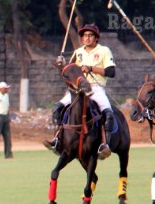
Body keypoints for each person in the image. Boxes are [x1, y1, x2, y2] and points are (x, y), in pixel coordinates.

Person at [45, 22, 118, 159]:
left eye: (91, 35)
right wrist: (60, 64)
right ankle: (57, 140)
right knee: (57, 107)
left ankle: (104, 145)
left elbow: (111, 71)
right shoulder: (78, 52)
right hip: (77, 90)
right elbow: (68, 70)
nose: (87, 38)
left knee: (108, 113)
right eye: (85, 36)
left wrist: (91, 68)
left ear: (96, 38)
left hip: (95, 89)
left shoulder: (104, 50)